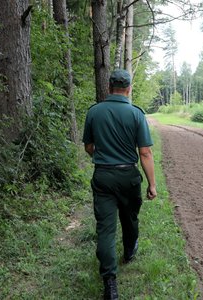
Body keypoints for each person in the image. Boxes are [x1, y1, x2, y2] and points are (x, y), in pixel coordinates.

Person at [82, 69, 157, 300]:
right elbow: (144, 153)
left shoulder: (94, 112)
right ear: (129, 88)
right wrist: (152, 184)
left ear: (109, 87)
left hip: (103, 177)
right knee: (130, 218)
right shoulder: (136, 114)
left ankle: (110, 283)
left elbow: (88, 147)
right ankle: (129, 250)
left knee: (105, 228)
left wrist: (103, 152)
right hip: (128, 177)